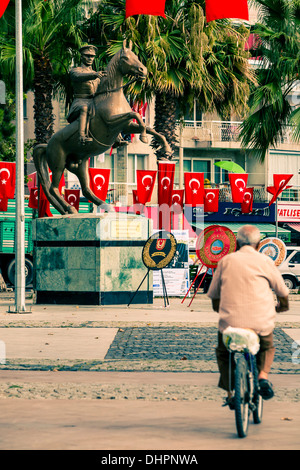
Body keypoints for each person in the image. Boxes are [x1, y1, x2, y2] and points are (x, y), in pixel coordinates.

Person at [207, 224, 289, 408]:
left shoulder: (225, 261)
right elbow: (283, 292)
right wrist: (281, 307)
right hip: (260, 322)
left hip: (230, 324)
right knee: (267, 346)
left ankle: (230, 393)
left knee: (223, 352)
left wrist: (221, 310)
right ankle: (262, 377)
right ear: (259, 243)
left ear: (236, 242)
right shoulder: (266, 262)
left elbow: (213, 295)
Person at [67, 44, 127, 147]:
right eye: (87, 55)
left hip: (94, 102)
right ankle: (82, 136)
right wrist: (94, 75)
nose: (90, 58)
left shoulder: (97, 74)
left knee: (109, 111)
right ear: (81, 56)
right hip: (81, 101)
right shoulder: (76, 71)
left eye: (92, 56)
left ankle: (117, 137)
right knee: (85, 108)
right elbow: (78, 77)